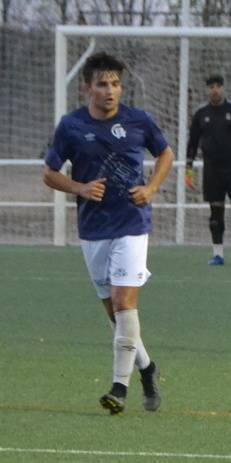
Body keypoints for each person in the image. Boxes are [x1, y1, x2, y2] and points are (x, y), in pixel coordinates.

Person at [42, 51, 173, 414]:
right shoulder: (70, 126)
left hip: (132, 224)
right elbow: (50, 173)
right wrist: (80, 188)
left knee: (123, 303)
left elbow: (165, 155)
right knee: (116, 315)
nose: (110, 91)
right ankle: (147, 368)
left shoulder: (138, 120)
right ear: (87, 88)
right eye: (102, 84)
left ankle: (119, 388)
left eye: (115, 83)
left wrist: (151, 189)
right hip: (93, 229)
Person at [185, 74, 231, 266]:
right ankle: (217, 254)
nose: (215, 90)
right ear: (207, 89)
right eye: (211, 87)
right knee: (215, 214)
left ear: (223, 88)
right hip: (212, 171)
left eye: (218, 86)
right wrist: (189, 168)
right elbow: (192, 143)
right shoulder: (201, 114)